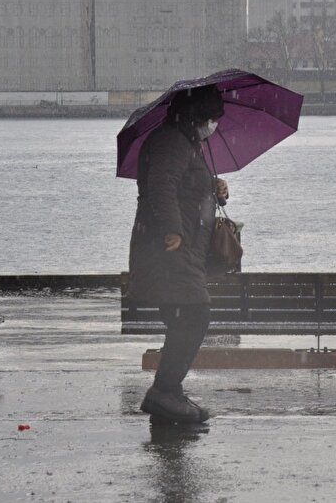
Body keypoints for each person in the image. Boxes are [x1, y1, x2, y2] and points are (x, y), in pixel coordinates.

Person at [128, 84, 229, 424]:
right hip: (171, 250)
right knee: (196, 315)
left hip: (182, 251)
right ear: (197, 114)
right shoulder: (172, 140)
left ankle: (169, 392)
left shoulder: (186, 142)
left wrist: (216, 187)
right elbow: (161, 185)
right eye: (212, 117)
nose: (214, 125)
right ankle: (164, 391)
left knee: (182, 319)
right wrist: (173, 229)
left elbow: (186, 185)